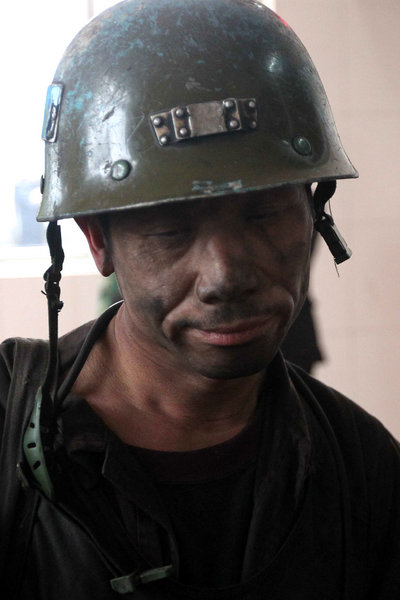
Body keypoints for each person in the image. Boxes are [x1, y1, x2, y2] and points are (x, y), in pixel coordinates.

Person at [1, 1, 399, 598]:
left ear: (314, 213)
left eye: (263, 215)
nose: (225, 275)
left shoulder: (362, 469)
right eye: (171, 230)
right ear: (96, 239)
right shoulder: (8, 427)